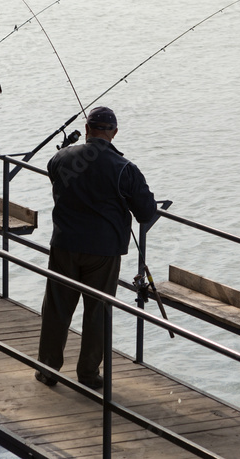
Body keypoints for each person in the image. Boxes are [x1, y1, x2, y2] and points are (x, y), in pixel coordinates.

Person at [36, 106, 157, 389]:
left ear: (87, 129)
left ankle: (47, 370)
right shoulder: (125, 169)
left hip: (64, 244)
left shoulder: (59, 158)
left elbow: (58, 182)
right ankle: (89, 374)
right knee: (98, 311)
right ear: (114, 133)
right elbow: (147, 212)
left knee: (56, 308)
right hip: (103, 251)